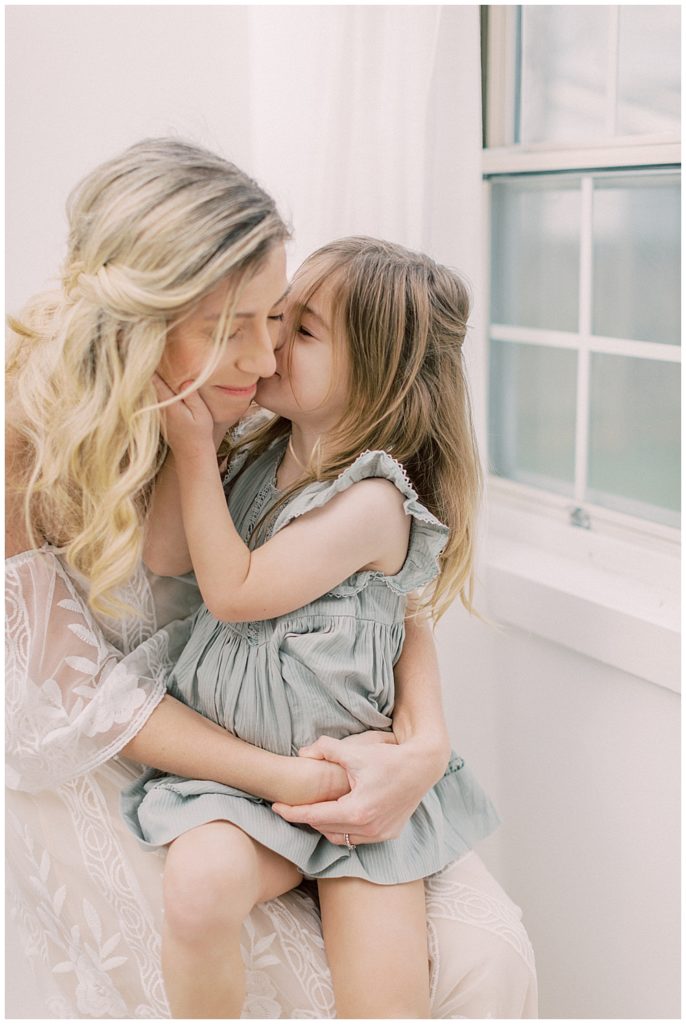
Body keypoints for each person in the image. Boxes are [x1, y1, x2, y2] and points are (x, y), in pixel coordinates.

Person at [5, 138, 538, 1019]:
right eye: (235, 327)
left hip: (325, 762)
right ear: (146, 320)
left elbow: (378, 608)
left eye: (280, 318)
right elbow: (93, 696)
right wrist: (282, 779)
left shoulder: (260, 425)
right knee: (242, 939)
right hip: (142, 765)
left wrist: (423, 747)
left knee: (483, 961)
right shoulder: (37, 445)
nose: (263, 356)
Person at [123, 235, 503, 1018]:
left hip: (347, 784)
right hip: (237, 778)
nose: (267, 344)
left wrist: (196, 452)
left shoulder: (373, 502)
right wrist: (191, 429)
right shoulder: (255, 459)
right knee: (198, 891)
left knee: (384, 1004)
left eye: (302, 330)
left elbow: (233, 592)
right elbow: (167, 555)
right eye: (276, 316)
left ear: (377, 373)